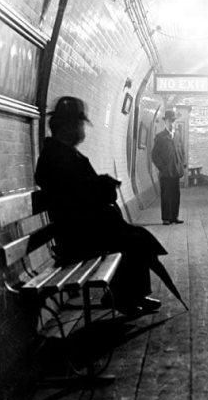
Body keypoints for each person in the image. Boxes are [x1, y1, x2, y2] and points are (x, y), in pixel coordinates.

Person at [35, 96, 165, 315]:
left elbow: (79, 188)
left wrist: (101, 183)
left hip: (82, 228)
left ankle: (131, 296)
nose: (82, 129)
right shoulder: (57, 156)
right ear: (67, 127)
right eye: (79, 124)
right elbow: (77, 194)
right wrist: (103, 187)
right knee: (132, 240)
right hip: (78, 236)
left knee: (135, 237)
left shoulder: (60, 153)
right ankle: (125, 298)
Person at [151, 109, 186, 225]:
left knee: (176, 194)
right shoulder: (160, 137)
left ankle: (174, 217)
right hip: (165, 172)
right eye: (169, 121)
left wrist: (182, 164)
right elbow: (154, 155)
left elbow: (182, 151)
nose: (171, 123)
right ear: (165, 122)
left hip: (176, 171)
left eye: (173, 121)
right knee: (166, 195)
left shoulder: (177, 135)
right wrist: (162, 168)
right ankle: (166, 218)